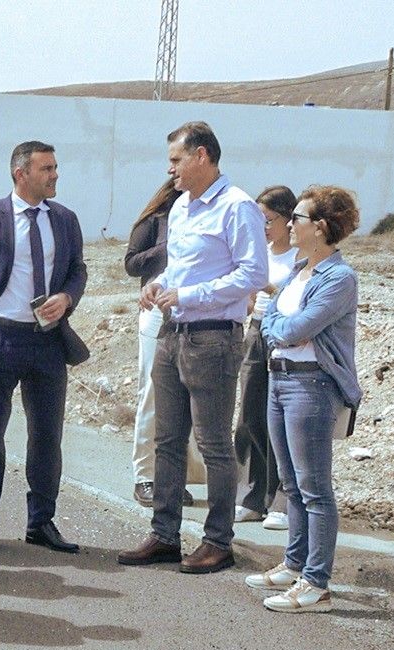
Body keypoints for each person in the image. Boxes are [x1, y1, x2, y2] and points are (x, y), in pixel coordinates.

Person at [118, 121, 267, 574]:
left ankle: (218, 541)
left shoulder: (237, 207)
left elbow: (253, 275)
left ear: (202, 156)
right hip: (172, 333)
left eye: (177, 160)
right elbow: (181, 269)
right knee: (167, 440)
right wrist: (159, 286)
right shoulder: (181, 207)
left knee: (214, 444)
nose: (171, 170)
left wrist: (189, 296)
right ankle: (165, 534)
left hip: (214, 338)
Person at [0, 140, 89, 556]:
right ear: (21, 174)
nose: (55, 175)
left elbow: (78, 271)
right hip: (1, 338)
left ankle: (41, 521)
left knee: (47, 436)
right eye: (46, 168)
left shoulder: (65, 220)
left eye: (55, 167)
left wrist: (67, 298)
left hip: (48, 340)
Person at [246, 186, 361, 613]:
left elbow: (289, 328)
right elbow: (274, 316)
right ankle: (295, 564)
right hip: (280, 381)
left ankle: (317, 584)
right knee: (292, 484)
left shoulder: (339, 278)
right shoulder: (299, 269)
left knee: (315, 489)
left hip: (311, 386)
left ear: (322, 227)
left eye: (298, 217)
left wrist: (276, 321)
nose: (289, 223)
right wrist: (278, 319)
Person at [124, 178, 203, 508]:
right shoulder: (154, 220)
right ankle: (146, 476)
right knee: (153, 393)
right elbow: (131, 264)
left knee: (185, 397)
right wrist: (169, 247)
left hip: (195, 310)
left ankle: (173, 477)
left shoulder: (208, 217)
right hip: (156, 311)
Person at [233, 186, 299, 529]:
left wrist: (269, 289)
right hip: (256, 331)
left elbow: (296, 299)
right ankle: (252, 495)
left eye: (269, 219)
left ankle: (282, 499)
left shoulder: (300, 257)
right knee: (249, 415)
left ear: (289, 218)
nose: (264, 227)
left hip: (286, 335)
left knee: (282, 419)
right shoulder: (259, 251)